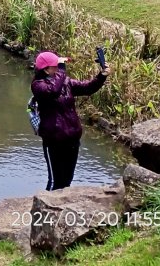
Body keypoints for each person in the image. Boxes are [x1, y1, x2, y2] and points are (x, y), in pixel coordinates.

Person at [30, 50, 109, 191]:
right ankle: (45, 210)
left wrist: (102, 76)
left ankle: (60, 211)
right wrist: (61, 70)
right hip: (54, 140)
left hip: (72, 139)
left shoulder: (65, 82)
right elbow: (53, 91)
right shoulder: (38, 85)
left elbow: (88, 88)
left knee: (67, 180)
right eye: (55, 66)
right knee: (55, 181)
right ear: (46, 70)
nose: (59, 68)